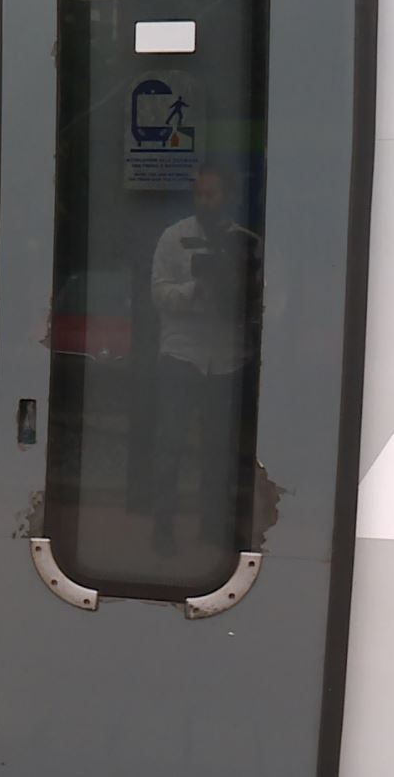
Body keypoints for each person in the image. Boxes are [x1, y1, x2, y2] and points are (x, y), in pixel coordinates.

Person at [147, 166, 263, 556]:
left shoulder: (247, 243)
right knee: (170, 445)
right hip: (181, 354)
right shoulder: (175, 238)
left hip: (228, 358)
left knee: (220, 448)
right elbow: (158, 294)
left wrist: (238, 291)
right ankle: (162, 529)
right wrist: (199, 287)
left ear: (229, 197)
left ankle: (212, 527)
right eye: (199, 194)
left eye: (212, 194)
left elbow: (271, 302)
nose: (204, 201)